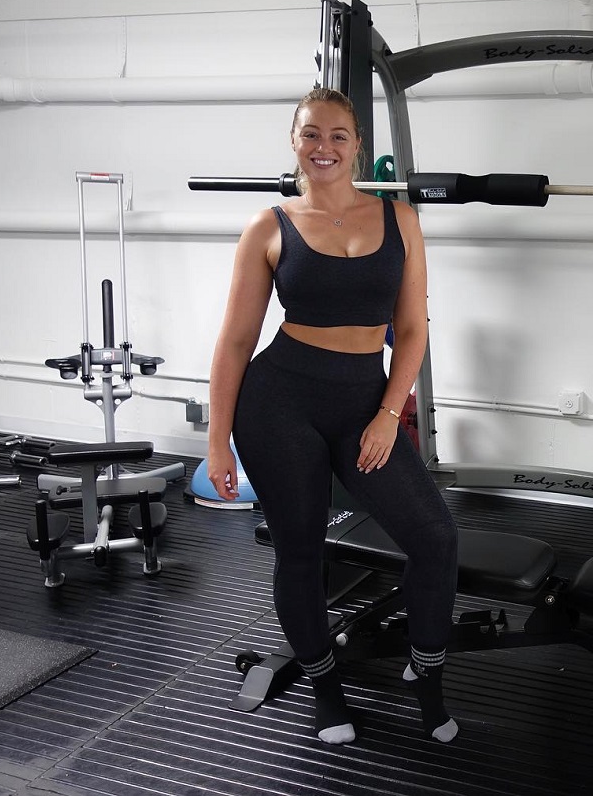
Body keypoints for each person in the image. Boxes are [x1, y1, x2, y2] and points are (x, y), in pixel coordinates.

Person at [207, 88, 459, 745]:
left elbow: (411, 331)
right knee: (301, 552)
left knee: (434, 538)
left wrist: (386, 415)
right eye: (311, 133)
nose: (325, 146)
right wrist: (216, 444)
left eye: (339, 135)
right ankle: (325, 691)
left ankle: (428, 683)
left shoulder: (400, 219)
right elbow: (235, 342)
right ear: (294, 143)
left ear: (357, 147)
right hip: (278, 401)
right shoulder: (270, 226)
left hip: (360, 404)